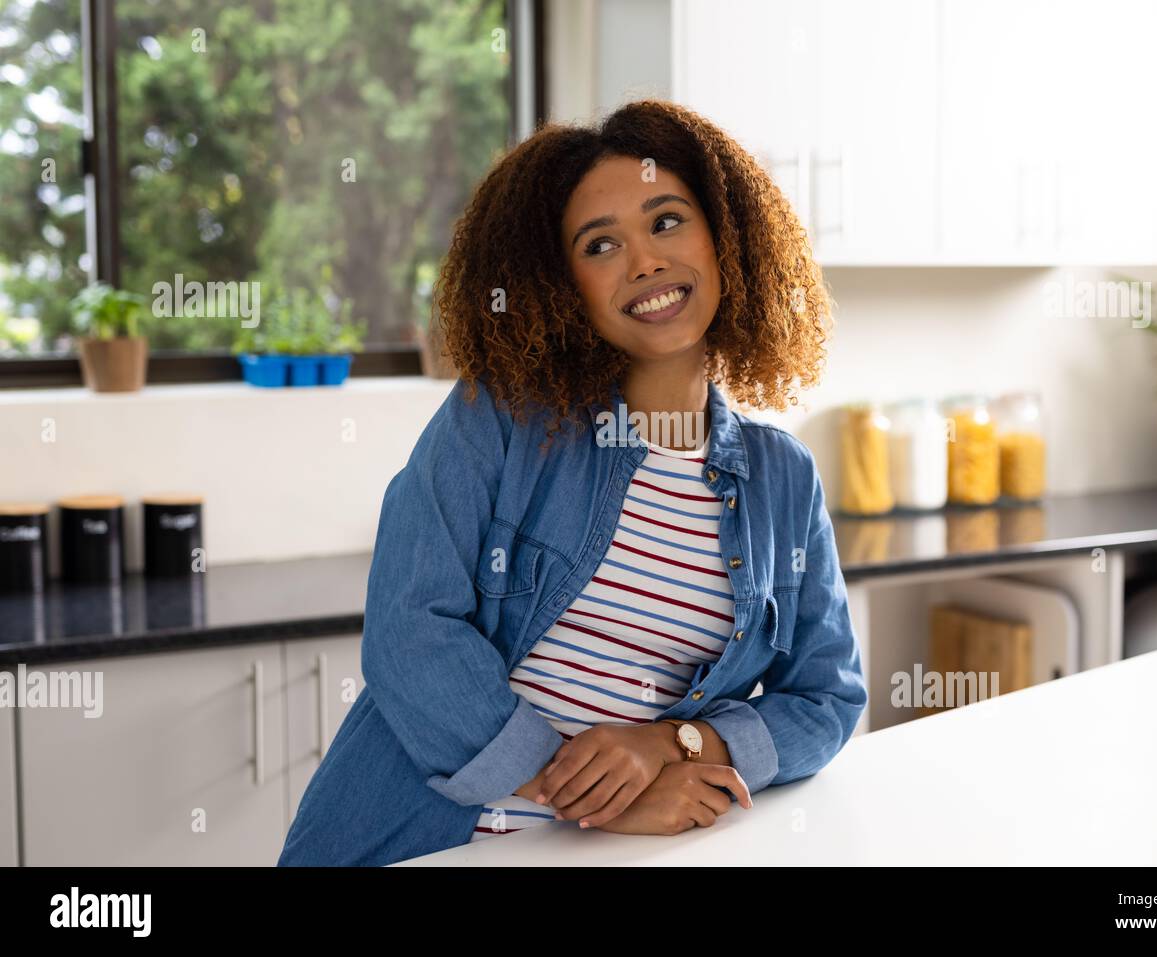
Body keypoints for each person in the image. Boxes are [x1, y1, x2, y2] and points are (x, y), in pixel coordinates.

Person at [278, 99, 867, 866]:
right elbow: (409, 627)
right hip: (421, 841)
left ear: (727, 238)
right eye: (600, 245)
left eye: (666, 221)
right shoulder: (501, 418)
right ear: (563, 286)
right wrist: (598, 793)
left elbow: (827, 697)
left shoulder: (782, 480)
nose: (645, 262)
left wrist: (675, 743)